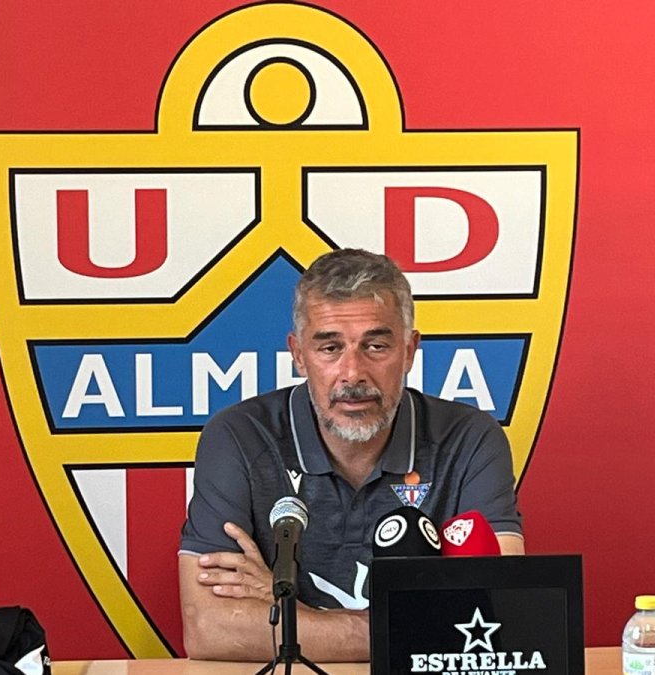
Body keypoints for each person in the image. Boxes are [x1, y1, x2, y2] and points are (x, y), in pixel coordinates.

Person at [178, 248, 524, 661]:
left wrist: (287, 613)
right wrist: (420, 625)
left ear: (410, 350)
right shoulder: (238, 436)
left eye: (376, 346)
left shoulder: (469, 439)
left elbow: (497, 614)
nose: (353, 373)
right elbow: (208, 629)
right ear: (299, 354)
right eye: (329, 349)